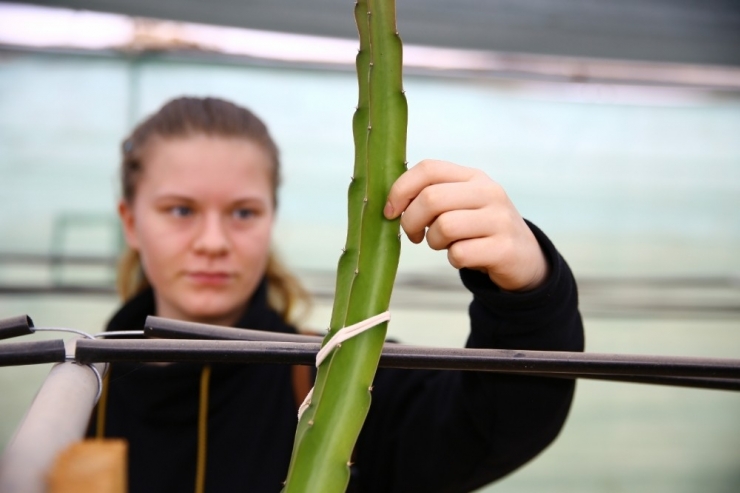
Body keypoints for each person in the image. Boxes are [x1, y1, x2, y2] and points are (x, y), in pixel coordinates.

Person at [89, 96, 584, 492]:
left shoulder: (342, 377)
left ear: (271, 219)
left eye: (243, 212)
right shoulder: (77, 390)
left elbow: (491, 427)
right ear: (131, 222)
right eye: (180, 211)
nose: (213, 243)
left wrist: (530, 290)